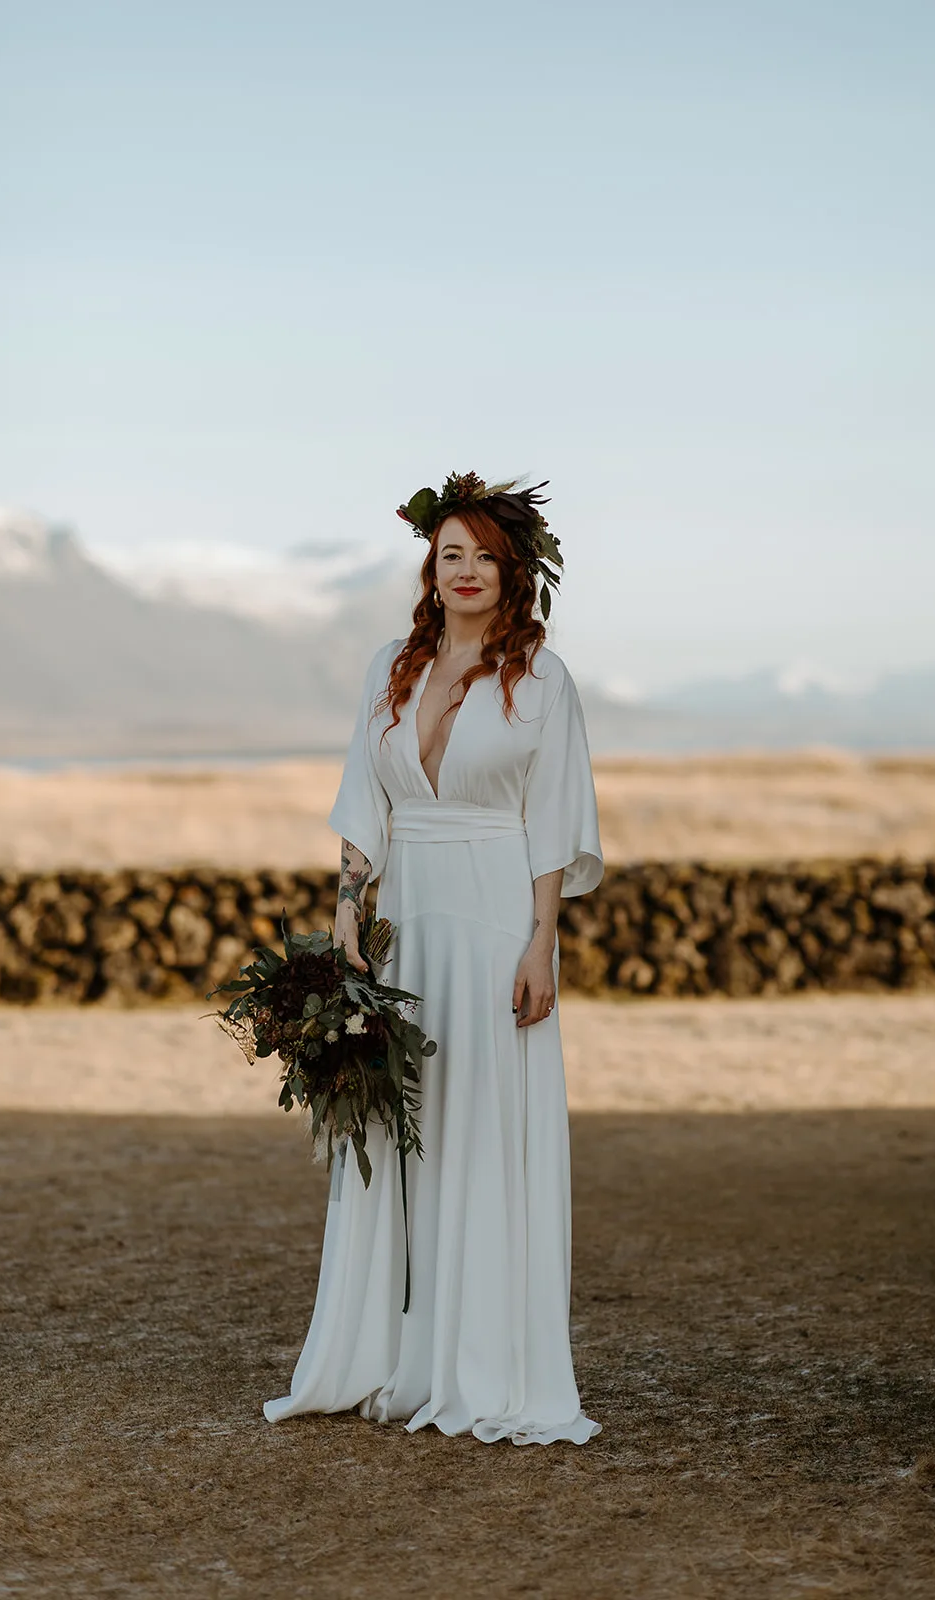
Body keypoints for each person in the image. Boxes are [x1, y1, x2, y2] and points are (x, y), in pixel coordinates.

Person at [263, 472, 604, 1446]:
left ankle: (486, 1366)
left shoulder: (542, 681)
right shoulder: (389, 666)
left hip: (496, 916)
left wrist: (543, 938)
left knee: (483, 1129)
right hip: (407, 919)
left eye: (483, 557)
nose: (464, 572)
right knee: (396, 1132)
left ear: (513, 572)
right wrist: (344, 916)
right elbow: (362, 802)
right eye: (448, 554)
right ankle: (391, 1357)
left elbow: (552, 818)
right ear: (431, 565)